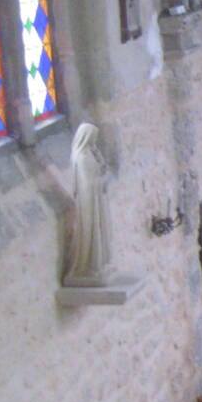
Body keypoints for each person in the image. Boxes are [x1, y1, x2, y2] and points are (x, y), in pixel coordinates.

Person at [62, 122, 114, 287]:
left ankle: (97, 264)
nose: (94, 141)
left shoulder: (90, 153)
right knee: (89, 231)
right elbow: (87, 184)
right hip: (89, 202)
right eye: (92, 137)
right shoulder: (82, 157)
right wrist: (103, 179)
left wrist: (102, 167)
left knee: (99, 229)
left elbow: (96, 174)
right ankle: (87, 266)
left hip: (97, 200)